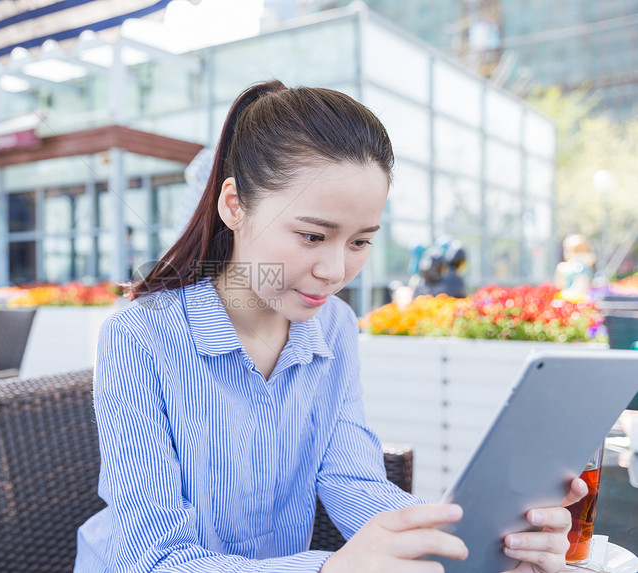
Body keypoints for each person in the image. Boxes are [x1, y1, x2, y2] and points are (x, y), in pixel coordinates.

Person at [75, 80, 586, 572]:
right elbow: (154, 559)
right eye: (313, 236)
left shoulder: (334, 326)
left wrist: (472, 543)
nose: (336, 271)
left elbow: (352, 480)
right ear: (234, 206)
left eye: (360, 242)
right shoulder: (139, 337)